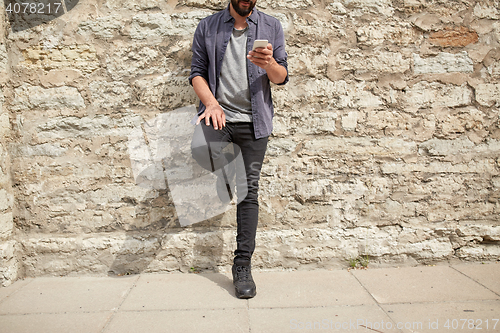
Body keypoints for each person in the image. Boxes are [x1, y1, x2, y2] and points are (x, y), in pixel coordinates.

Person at [189, 0, 288, 299]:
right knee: (201, 149)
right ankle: (228, 178)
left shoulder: (271, 26)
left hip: (254, 125)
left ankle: (242, 265)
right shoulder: (207, 27)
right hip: (218, 116)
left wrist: (269, 63)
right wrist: (211, 103)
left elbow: (281, 77)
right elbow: (197, 72)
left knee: (249, 193)